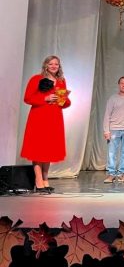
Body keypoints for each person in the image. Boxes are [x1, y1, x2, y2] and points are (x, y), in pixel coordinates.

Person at [21, 55, 71, 194]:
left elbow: (65, 103)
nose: (54, 66)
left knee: (48, 149)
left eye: (56, 64)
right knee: (38, 149)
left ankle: (45, 180)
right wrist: (45, 98)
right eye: (51, 64)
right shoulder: (36, 79)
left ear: (59, 66)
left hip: (54, 118)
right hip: (39, 117)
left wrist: (63, 99)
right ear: (46, 65)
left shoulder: (61, 81)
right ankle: (38, 181)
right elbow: (27, 98)